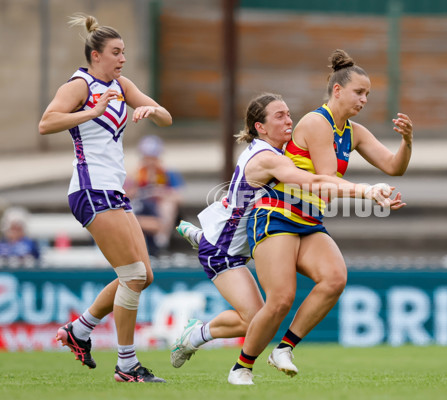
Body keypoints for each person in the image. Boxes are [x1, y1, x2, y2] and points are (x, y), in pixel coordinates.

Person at [169, 93, 400, 381]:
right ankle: (198, 335)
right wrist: (365, 191)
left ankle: (199, 248)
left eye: (289, 113)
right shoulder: (267, 158)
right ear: (260, 127)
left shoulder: (281, 153)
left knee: (263, 317)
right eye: (279, 116)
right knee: (257, 320)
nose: (289, 120)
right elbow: (314, 182)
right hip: (225, 252)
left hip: (241, 238)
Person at [220, 48, 412, 385]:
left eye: (368, 94)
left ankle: (284, 348)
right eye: (359, 92)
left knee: (335, 278)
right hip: (276, 214)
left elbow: (394, 166)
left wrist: (407, 142)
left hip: (308, 221)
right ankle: (241, 367)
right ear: (337, 91)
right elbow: (326, 180)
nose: (364, 99)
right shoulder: (315, 122)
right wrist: (368, 192)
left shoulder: (353, 132)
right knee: (280, 299)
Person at [38, 14, 172, 383]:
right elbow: (46, 122)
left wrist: (151, 109)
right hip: (89, 189)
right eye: (116, 52)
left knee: (143, 276)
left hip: (112, 191)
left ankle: (80, 330)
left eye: (124, 52)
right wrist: (92, 111)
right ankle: (126, 365)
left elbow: (167, 119)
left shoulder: (123, 84)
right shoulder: (80, 84)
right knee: (132, 275)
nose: (123, 59)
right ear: (96, 55)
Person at [125, 135, 184, 256]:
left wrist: (162, 193)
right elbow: (125, 194)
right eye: (147, 157)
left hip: (159, 210)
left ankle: (161, 240)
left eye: (153, 157)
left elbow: (179, 197)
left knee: (168, 205)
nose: (150, 161)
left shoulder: (168, 173)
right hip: (141, 209)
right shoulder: (135, 174)